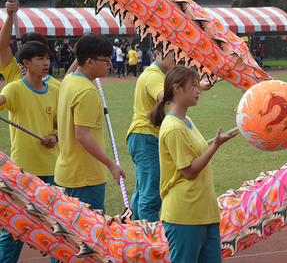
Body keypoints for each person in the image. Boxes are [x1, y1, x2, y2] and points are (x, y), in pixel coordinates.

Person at [148, 65, 238, 262]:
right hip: (185, 215)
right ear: (177, 89)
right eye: (194, 86)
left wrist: (214, 143)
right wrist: (215, 146)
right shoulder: (173, 127)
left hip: (205, 212)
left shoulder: (186, 120)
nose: (199, 91)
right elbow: (189, 171)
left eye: (198, 86)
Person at [0, 41, 59, 262]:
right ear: (26, 63)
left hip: (53, 169)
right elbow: (2, 100)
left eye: (47, 58)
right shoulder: (15, 88)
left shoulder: (54, 90)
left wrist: (56, 137)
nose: (46, 63)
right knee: (16, 228)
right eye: (40, 59)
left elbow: (60, 125)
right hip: (23, 171)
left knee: (57, 227)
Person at [54, 34, 126, 212]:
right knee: (89, 237)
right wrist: (111, 165)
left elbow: (76, 66)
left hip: (66, 174)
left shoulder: (69, 80)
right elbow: (82, 135)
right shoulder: (87, 91)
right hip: (85, 177)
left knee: (71, 236)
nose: (110, 64)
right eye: (106, 60)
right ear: (90, 62)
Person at [125, 45, 177, 222]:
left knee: (143, 191)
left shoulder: (159, 75)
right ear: (157, 53)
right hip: (146, 137)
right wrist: (193, 86)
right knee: (150, 194)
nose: (175, 56)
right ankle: (151, 241)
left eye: (178, 52)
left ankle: (133, 234)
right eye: (171, 51)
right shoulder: (154, 76)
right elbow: (167, 97)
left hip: (144, 136)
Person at [0, 0, 66, 86]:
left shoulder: (56, 87)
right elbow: (2, 46)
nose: (46, 63)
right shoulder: (15, 72)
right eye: (39, 57)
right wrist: (10, 16)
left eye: (45, 57)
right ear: (25, 60)